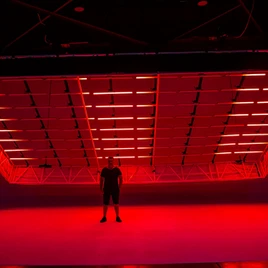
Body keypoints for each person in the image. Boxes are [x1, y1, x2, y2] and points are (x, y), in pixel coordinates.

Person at [99, 156, 123, 223]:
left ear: (113, 161)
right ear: (108, 161)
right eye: (109, 160)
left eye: (111, 160)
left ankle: (117, 217)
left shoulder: (117, 170)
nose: (110, 161)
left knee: (116, 203)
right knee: (105, 203)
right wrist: (101, 188)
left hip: (115, 189)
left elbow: (121, 178)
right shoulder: (104, 170)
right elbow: (101, 180)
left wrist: (119, 187)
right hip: (106, 189)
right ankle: (104, 217)